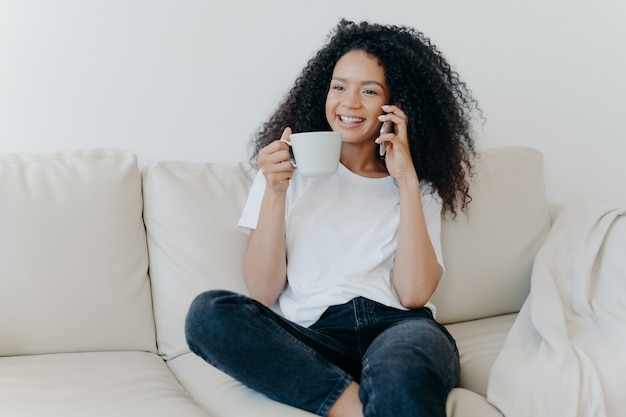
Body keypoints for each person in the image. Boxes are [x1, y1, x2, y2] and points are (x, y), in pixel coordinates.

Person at [185, 19, 480, 417]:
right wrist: (275, 191)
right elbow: (262, 290)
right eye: (339, 86)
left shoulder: (416, 184)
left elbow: (413, 295)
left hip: (398, 328)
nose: (350, 103)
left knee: (403, 370)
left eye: (370, 91)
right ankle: (355, 408)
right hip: (316, 335)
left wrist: (407, 180)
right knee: (209, 315)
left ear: (396, 106)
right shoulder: (281, 172)